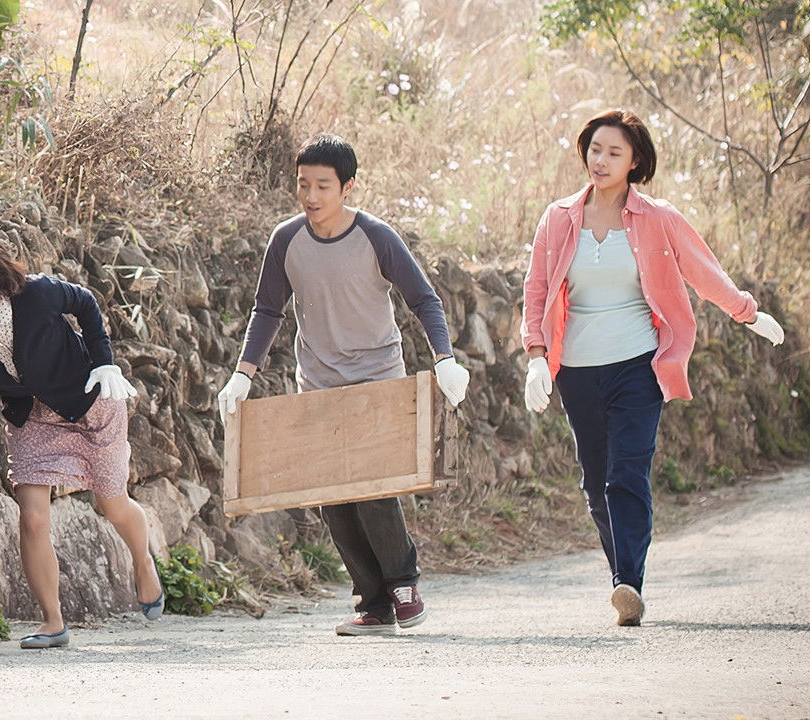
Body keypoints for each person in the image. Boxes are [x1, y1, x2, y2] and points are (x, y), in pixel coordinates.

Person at [520, 109, 785, 626]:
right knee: (595, 482)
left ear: (635, 161)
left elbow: (703, 272)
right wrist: (535, 357)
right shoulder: (558, 217)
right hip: (575, 369)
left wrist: (747, 314)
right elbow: (536, 290)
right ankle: (622, 575)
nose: (601, 160)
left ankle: (628, 583)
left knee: (626, 472)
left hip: (639, 364)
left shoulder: (657, 218)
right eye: (595, 149)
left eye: (614, 152)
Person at [218, 134, 471, 636]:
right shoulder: (286, 239)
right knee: (331, 494)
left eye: (323, 186)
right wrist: (242, 375)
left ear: (348, 187)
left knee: (372, 488)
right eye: (303, 184)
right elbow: (267, 310)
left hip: (377, 375)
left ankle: (404, 583)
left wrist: (445, 359)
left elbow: (424, 299)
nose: (311, 196)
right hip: (318, 379)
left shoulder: (376, 236)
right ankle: (372, 604)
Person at [0, 226, 164, 649]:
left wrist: (105, 362)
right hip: (33, 417)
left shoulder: (36, 294)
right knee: (32, 516)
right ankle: (53, 622)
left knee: (111, 504)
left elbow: (86, 302)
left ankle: (143, 560)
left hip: (91, 399)